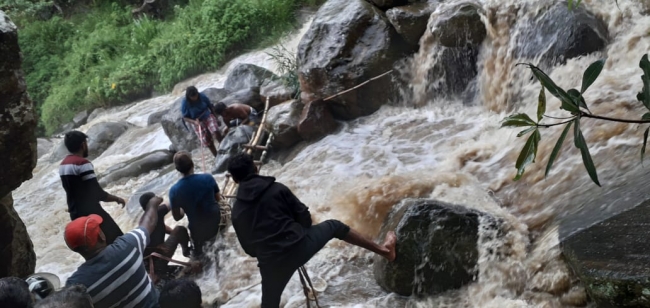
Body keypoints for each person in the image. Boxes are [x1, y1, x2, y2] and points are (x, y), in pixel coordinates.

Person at [227, 153, 397, 308]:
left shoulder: (236, 212)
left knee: (269, 304)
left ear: (235, 181)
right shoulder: (277, 189)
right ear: (256, 169)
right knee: (335, 226)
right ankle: (385, 251)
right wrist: (294, 232)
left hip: (272, 264)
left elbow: (250, 250)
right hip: (300, 246)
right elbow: (305, 218)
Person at [63, 194, 162, 308]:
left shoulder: (75, 285)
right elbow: (149, 221)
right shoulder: (127, 245)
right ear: (101, 236)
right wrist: (152, 204)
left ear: (74, 248)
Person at [59, 130, 126, 245]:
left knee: (94, 247)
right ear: (83, 145)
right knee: (118, 241)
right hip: (92, 213)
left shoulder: (63, 165)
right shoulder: (82, 164)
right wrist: (117, 199)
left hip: (75, 215)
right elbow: (97, 193)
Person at [169, 151, 222, 258]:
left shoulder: (174, 191)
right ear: (192, 164)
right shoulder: (208, 178)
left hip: (198, 231)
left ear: (177, 170)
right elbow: (218, 199)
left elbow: (177, 217)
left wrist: (184, 209)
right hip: (217, 222)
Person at [139, 192, 191, 278]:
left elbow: (161, 226)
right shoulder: (158, 211)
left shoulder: (144, 220)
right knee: (179, 230)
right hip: (159, 258)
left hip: (150, 263)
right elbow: (174, 202)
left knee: (181, 271)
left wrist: (172, 234)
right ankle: (187, 251)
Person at [182, 86, 222, 156]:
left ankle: (223, 147)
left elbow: (210, 106)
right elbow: (185, 117)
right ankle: (216, 156)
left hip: (207, 115)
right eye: (193, 97)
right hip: (196, 121)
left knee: (215, 130)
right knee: (207, 141)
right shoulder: (185, 103)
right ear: (189, 97)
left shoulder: (202, 96)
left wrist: (216, 118)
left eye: (196, 95)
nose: (195, 98)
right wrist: (194, 122)